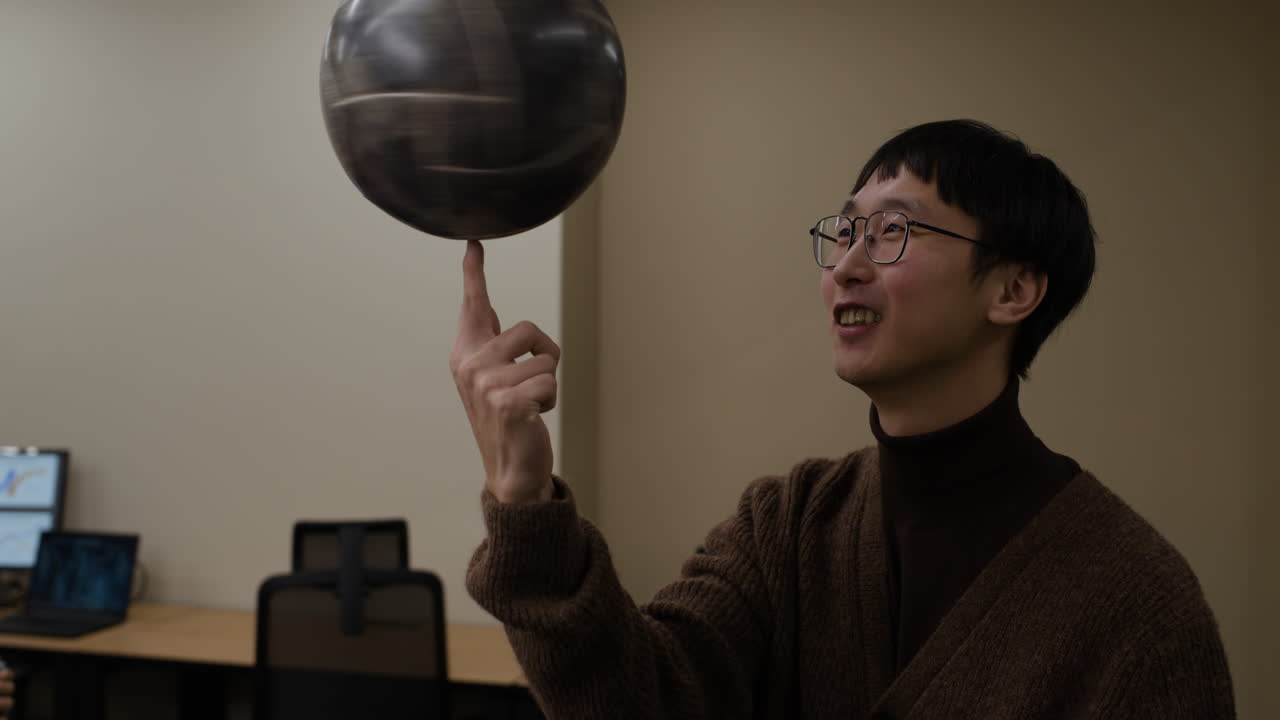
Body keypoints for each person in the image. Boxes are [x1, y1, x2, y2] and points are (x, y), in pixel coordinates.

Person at [450, 119, 1235, 719]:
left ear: (1013, 291)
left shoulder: (1140, 610)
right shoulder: (787, 525)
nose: (847, 265)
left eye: (894, 230)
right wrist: (524, 502)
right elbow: (641, 702)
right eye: (846, 230)